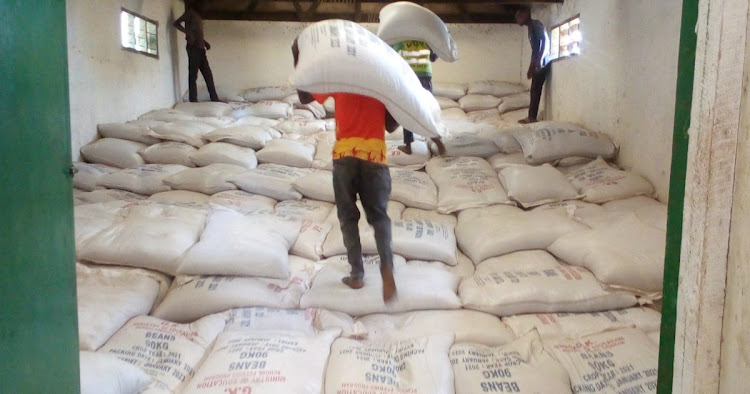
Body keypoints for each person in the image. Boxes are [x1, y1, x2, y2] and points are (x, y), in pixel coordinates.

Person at [292, 40, 399, 302]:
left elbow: (305, 97)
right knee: (380, 218)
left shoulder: (340, 79)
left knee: (347, 217)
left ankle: (357, 275)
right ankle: (387, 268)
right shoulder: (380, 85)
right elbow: (391, 126)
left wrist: (298, 56)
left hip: (344, 156)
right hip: (374, 156)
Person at [392, 40, 441, 154]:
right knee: (427, 110)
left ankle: (408, 145)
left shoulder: (401, 40)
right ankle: (437, 139)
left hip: (409, 77)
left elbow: (391, 54)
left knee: (407, 110)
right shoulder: (426, 40)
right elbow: (433, 57)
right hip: (425, 76)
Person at [174, 0, 219, 102]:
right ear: (197, 4)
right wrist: (188, 33)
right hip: (193, 47)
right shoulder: (190, 13)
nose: (204, 7)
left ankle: (214, 98)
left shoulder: (198, 17)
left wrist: (204, 42)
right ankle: (193, 99)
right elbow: (176, 23)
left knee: (208, 75)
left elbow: (197, 34)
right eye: (203, 5)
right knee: (193, 75)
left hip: (200, 49)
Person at [515, 7, 550, 124]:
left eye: (519, 16)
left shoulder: (536, 24)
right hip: (537, 62)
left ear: (527, 14)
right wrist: (531, 67)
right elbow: (534, 50)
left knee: (535, 89)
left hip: (542, 62)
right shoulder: (530, 28)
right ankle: (531, 116)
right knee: (534, 89)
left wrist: (539, 60)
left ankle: (532, 118)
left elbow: (543, 41)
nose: (517, 20)